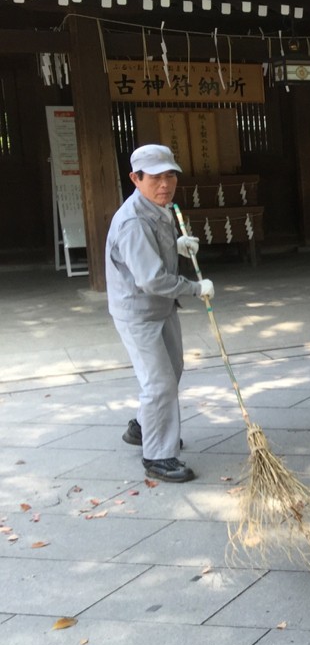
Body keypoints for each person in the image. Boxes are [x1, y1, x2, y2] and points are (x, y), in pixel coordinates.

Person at [106, 144, 213, 484]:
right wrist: (195, 288)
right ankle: (158, 456)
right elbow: (151, 279)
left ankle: (143, 427)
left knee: (172, 369)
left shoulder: (156, 206)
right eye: (155, 177)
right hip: (138, 312)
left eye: (170, 175)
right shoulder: (133, 221)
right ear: (135, 178)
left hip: (160, 307)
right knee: (159, 382)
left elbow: (153, 252)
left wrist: (176, 246)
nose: (165, 184)